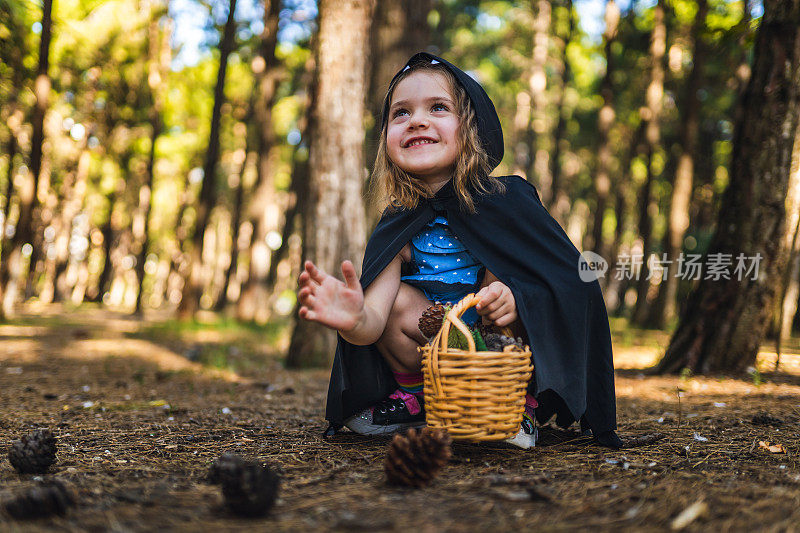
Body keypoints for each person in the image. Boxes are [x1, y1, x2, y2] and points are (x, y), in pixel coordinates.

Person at [297, 52, 622, 449]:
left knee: (501, 275)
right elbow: (374, 323)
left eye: (438, 108)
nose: (416, 120)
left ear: (472, 126)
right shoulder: (396, 223)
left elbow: (568, 282)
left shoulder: (510, 201)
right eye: (400, 113)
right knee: (397, 297)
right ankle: (420, 401)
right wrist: (353, 318)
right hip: (428, 349)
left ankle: (515, 405)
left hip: (498, 345)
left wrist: (518, 299)